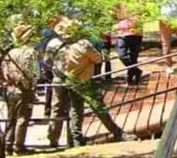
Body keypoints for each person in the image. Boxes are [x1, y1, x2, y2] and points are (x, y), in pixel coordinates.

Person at [46, 18, 124, 147]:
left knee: (57, 110)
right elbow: (98, 59)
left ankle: (53, 140)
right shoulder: (83, 44)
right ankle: (115, 132)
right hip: (80, 80)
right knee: (90, 106)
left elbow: (47, 62)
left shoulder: (52, 43)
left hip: (58, 81)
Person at [0, 24, 41, 155]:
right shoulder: (30, 53)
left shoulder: (10, 53)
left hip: (11, 88)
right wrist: (32, 84)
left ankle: (7, 145)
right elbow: (35, 72)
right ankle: (19, 146)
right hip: (24, 88)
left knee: (11, 117)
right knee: (23, 117)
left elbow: (3, 71)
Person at [113, 4, 144, 85]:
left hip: (135, 34)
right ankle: (136, 71)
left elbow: (140, 17)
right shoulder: (118, 3)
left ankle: (131, 79)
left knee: (133, 58)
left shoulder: (136, 3)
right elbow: (115, 17)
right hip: (122, 34)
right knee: (121, 55)